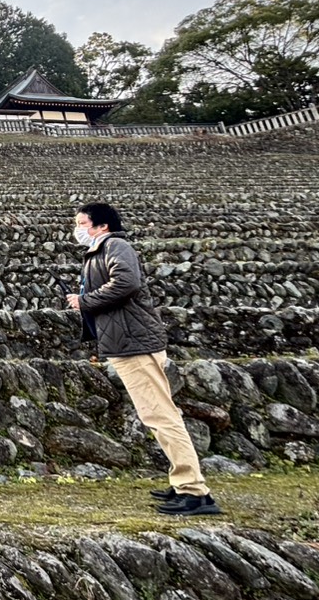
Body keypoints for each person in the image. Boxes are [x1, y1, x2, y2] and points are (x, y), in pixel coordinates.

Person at [67, 201, 221, 516]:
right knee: (160, 414)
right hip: (128, 341)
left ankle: (194, 491)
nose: (78, 228)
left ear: (102, 226)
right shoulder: (103, 249)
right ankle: (184, 484)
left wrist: (85, 301)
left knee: (160, 415)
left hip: (134, 343)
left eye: (82, 223)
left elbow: (127, 283)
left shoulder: (116, 245)